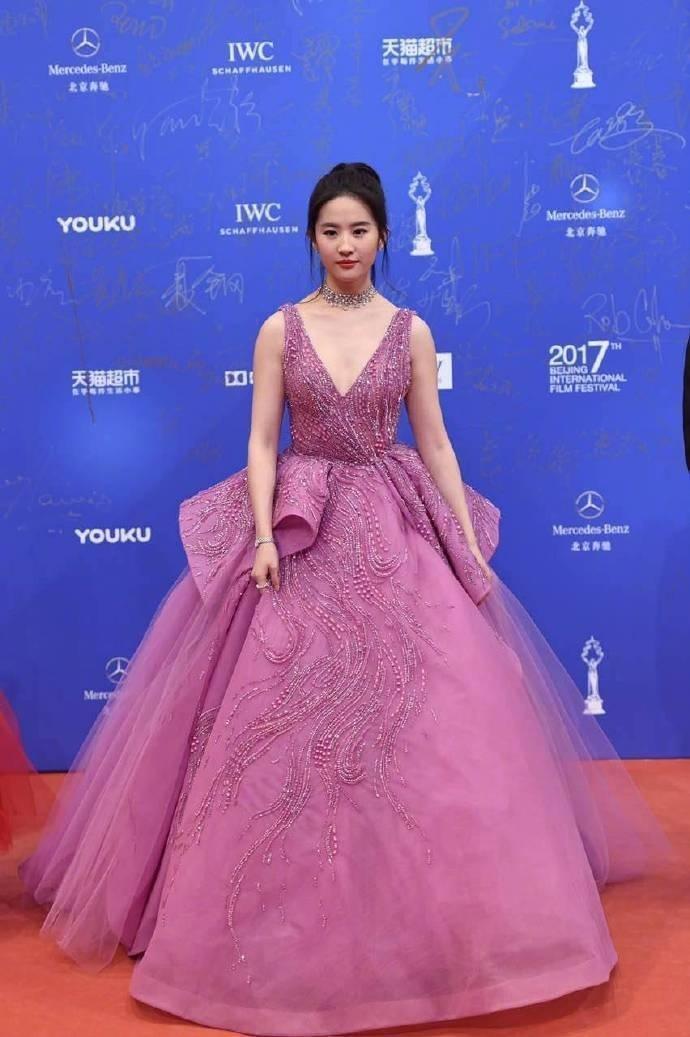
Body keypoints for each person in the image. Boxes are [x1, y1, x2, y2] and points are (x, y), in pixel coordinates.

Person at [21, 162, 669, 1035]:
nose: (345, 245)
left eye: (359, 230)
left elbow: (436, 445)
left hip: (393, 522)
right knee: (274, 715)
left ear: (384, 236)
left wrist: (462, 538)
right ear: (311, 238)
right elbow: (261, 441)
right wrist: (260, 535)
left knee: (435, 719)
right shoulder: (280, 329)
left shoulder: (411, 331)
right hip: (301, 527)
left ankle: (446, 930)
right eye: (330, 231)